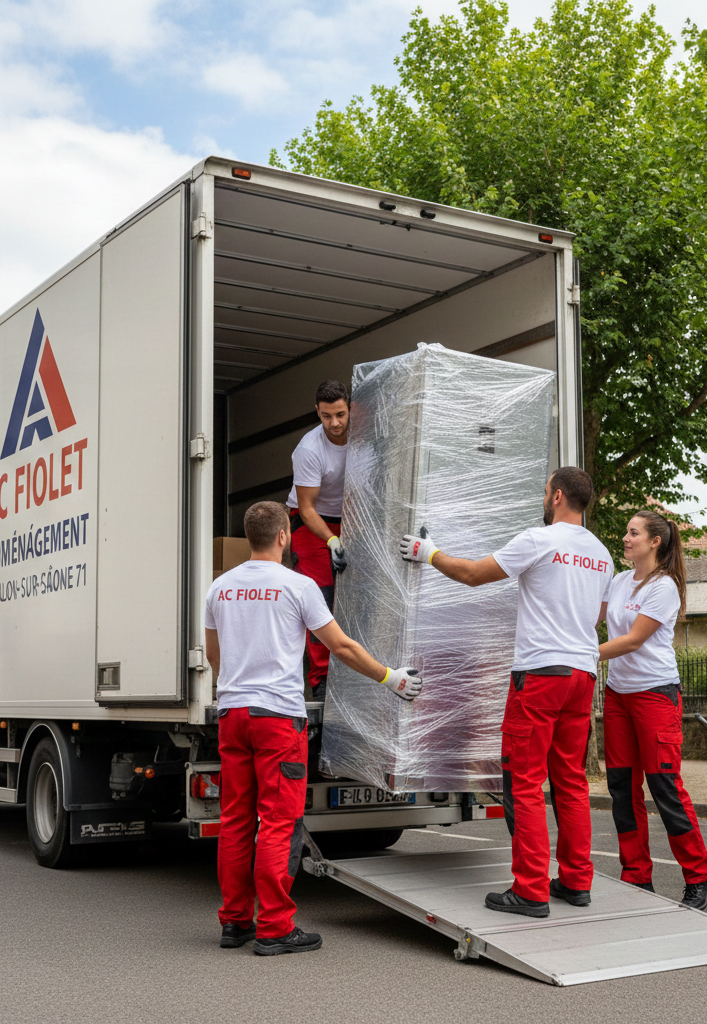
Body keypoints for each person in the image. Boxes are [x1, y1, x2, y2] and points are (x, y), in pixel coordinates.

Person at [206, 500, 423, 956]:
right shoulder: (298, 586)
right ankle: (274, 928)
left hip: (232, 714)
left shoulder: (220, 588)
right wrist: (390, 677)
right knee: (278, 822)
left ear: (250, 536)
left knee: (236, 820)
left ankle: (234, 922)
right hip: (277, 719)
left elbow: (213, 654)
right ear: (283, 536)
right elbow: (341, 647)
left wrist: (236, 687)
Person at [399, 467, 613, 918]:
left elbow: (473, 574)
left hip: (541, 675)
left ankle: (531, 890)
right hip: (583, 674)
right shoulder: (602, 554)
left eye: (545, 491)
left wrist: (428, 552)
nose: (543, 498)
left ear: (558, 496)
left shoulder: (540, 540)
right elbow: (597, 615)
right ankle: (576, 881)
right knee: (571, 780)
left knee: (525, 781)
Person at [598, 509, 707, 910]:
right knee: (622, 787)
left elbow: (633, 640)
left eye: (633, 532)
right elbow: (592, 617)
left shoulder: (664, 587)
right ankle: (635, 875)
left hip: (655, 695)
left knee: (664, 785)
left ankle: (699, 874)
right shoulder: (618, 580)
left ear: (654, 542)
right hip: (618, 695)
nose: (625, 537)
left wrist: (581, 654)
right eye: (626, 531)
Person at [285, 380, 351, 699]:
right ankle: (321, 680)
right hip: (311, 521)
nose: (334, 423)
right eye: (326, 416)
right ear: (317, 412)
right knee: (320, 596)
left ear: (350, 408)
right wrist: (332, 541)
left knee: (356, 598)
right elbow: (307, 508)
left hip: (350, 518)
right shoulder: (309, 449)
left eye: (340, 414)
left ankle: (355, 673)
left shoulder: (366, 437)